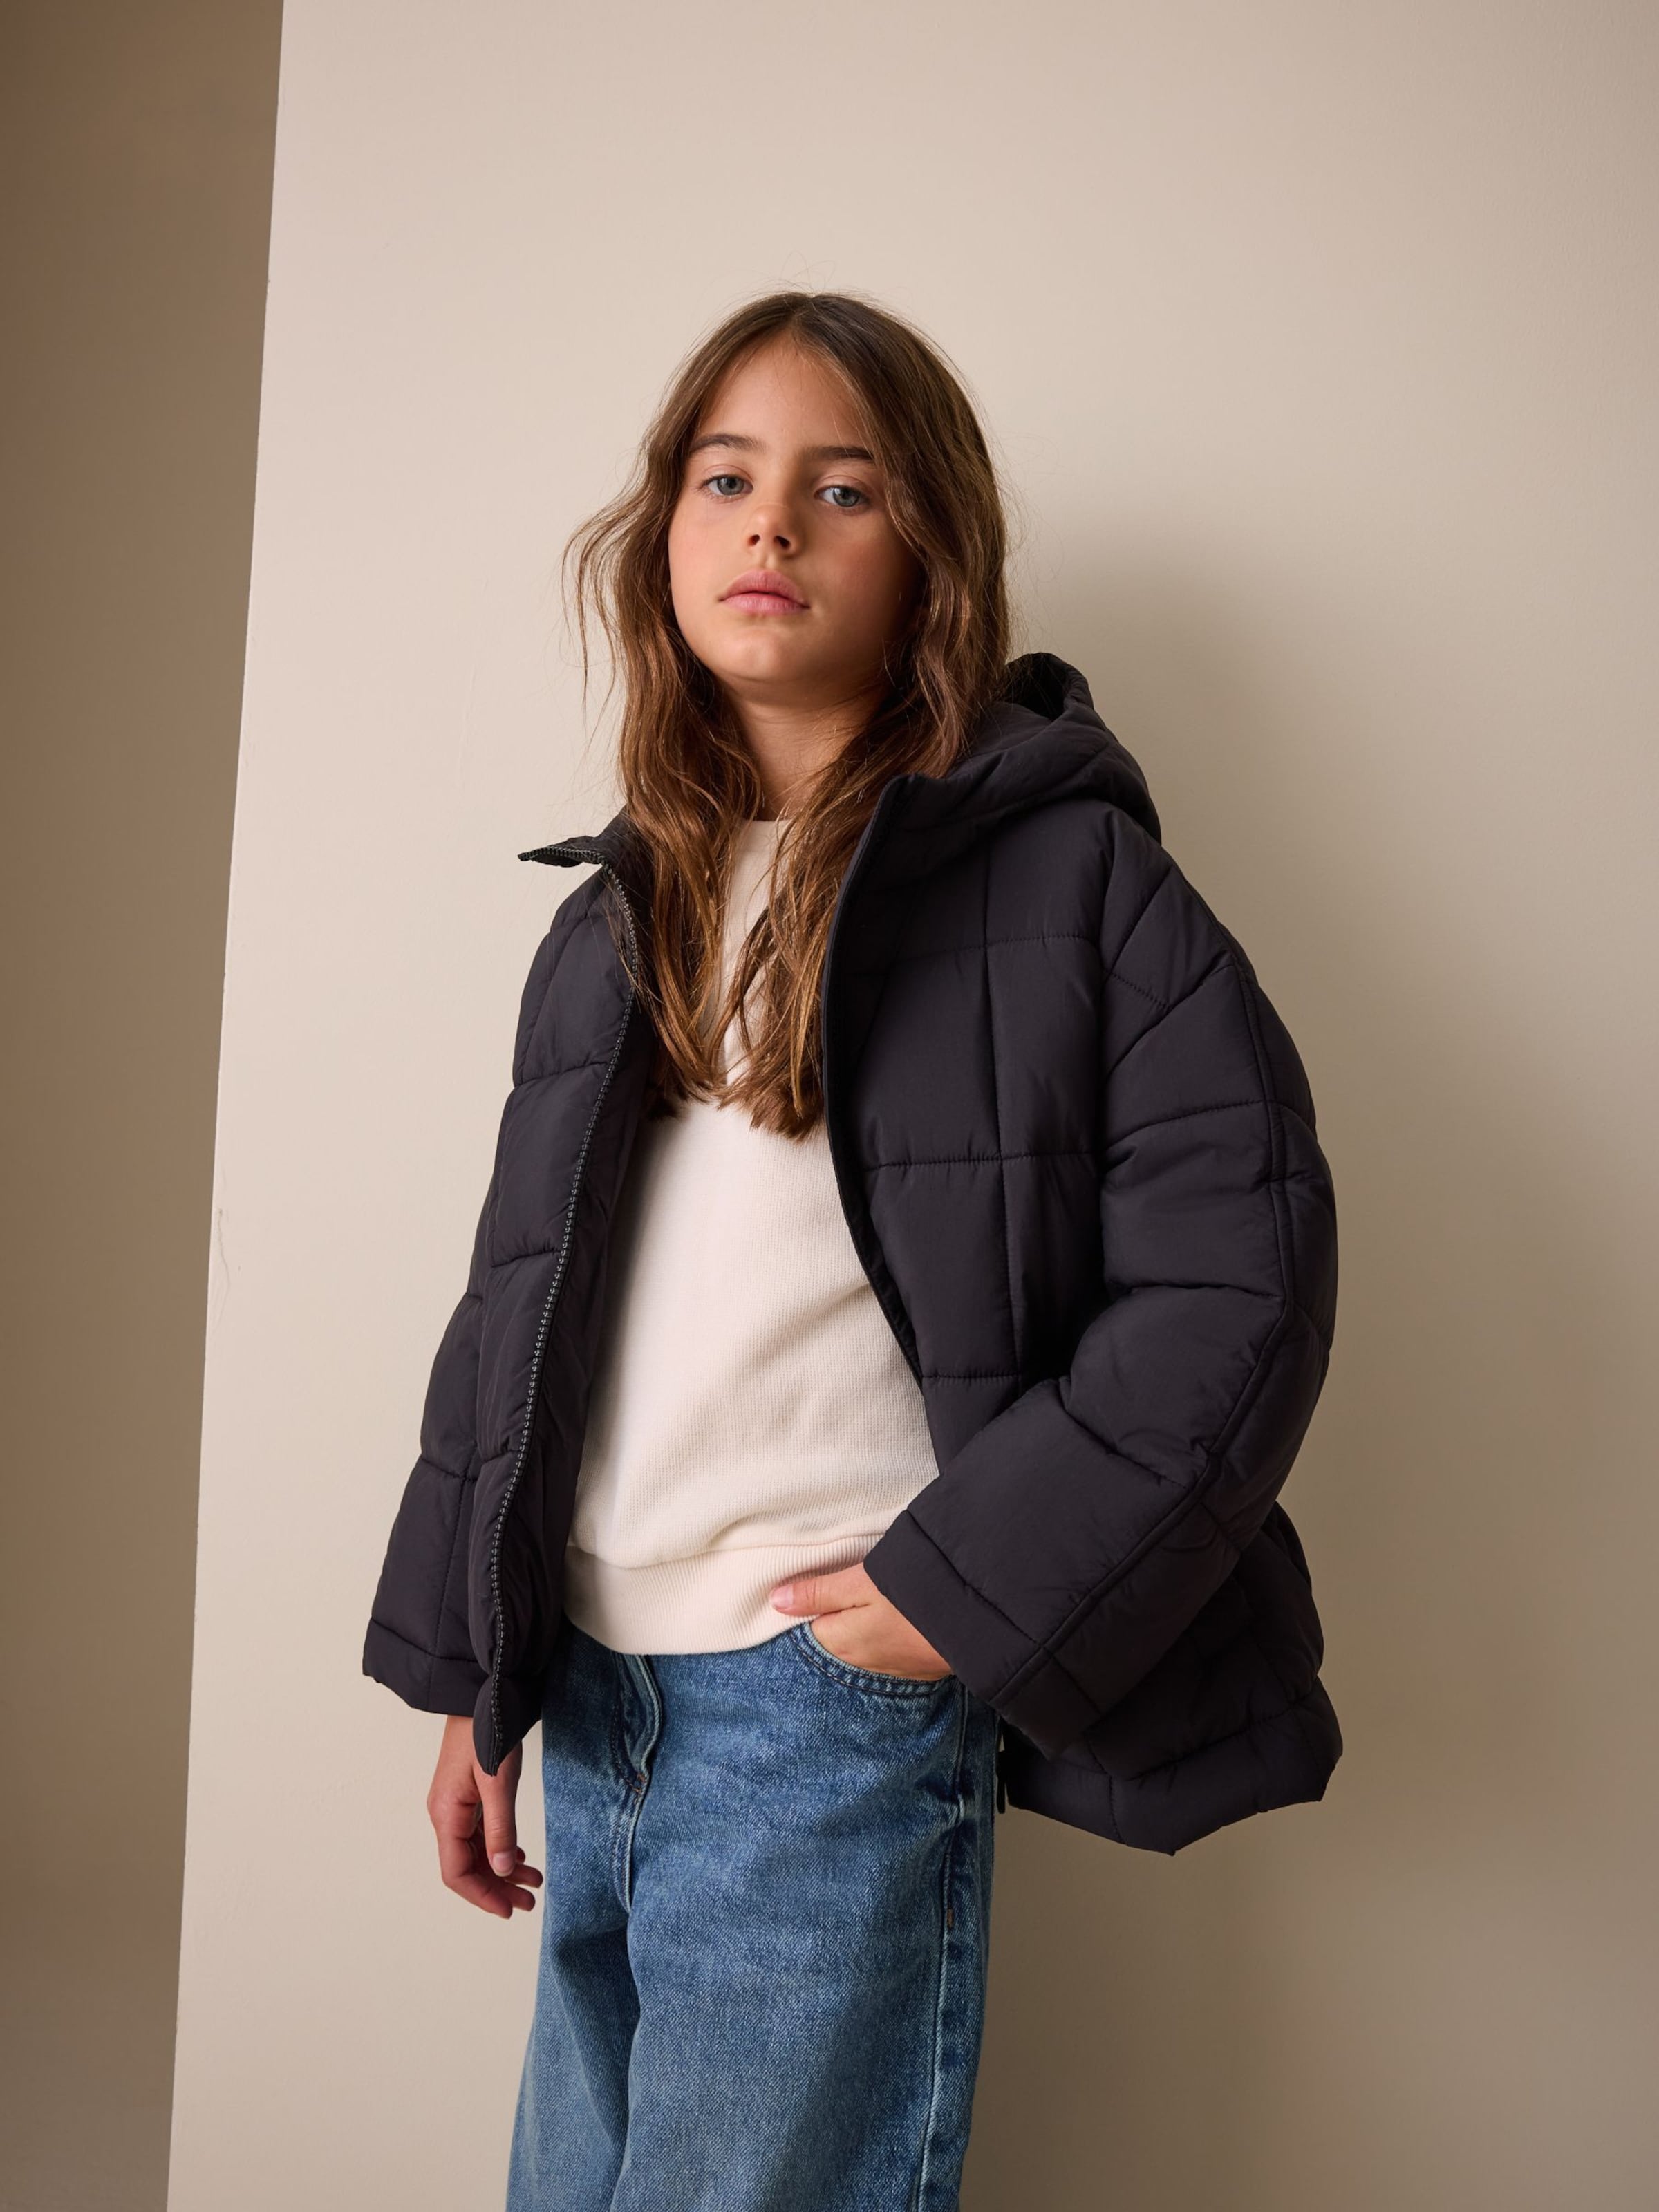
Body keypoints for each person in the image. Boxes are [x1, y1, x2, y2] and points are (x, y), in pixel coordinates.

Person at [364, 288, 1342, 2211]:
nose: (772, 525)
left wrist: (966, 1590)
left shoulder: (1075, 884)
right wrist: (484, 1665)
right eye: (726, 479)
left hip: (824, 1700)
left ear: (933, 557)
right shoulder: (615, 914)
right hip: (595, 1687)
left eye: (844, 487)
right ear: (661, 536)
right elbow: (517, 1314)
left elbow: (1241, 1284)